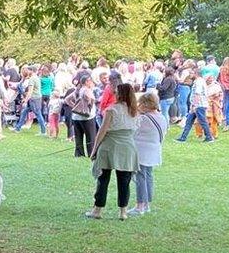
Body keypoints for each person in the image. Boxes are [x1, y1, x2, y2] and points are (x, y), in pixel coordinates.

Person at [87, 83, 139, 220]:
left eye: (116, 92)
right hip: (128, 146)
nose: (114, 94)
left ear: (120, 94)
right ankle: (123, 212)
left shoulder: (112, 110)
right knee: (124, 181)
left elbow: (102, 131)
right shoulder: (134, 111)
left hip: (110, 145)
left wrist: (94, 149)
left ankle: (97, 210)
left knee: (103, 179)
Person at [129, 93, 167, 216]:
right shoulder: (161, 117)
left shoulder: (143, 118)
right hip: (154, 150)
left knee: (140, 177)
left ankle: (140, 206)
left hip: (142, 151)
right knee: (148, 176)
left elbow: (133, 131)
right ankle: (147, 204)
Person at [176, 68, 214, 143]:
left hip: (199, 105)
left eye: (192, 73)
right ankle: (183, 137)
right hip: (197, 104)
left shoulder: (199, 82)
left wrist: (194, 105)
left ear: (196, 73)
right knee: (189, 121)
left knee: (203, 121)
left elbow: (197, 94)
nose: (190, 75)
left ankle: (209, 137)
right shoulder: (200, 81)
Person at [67, 76, 97, 157]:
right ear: (87, 82)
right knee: (90, 136)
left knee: (78, 136)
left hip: (76, 117)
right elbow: (92, 99)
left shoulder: (77, 90)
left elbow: (67, 99)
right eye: (91, 81)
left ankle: (79, 153)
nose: (92, 83)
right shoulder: (86, 90)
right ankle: (91, 153)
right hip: (87, 117)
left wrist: (74, 107)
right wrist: (90, 105)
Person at [13, 67, 46, 134]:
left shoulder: (32, 79)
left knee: (38, 114)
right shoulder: (36, 77)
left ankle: (43, 131)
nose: (27, 72)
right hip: (36, 98)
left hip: (34, 99)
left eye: (28, 71)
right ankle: (18, 128)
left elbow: (30, 91)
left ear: (31, 70)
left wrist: (25, 100)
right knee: (24, 112)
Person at [195, 74, 223, 139]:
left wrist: (214, 98)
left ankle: (213, 134)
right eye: (209, 78)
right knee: (199, 120)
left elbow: (219, 95)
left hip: (213, 106)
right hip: (203, 104)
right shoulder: (202, 85)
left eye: (211, 78)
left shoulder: (216, 86)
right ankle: (199, 134)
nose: (210, 80)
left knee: (212, 121)